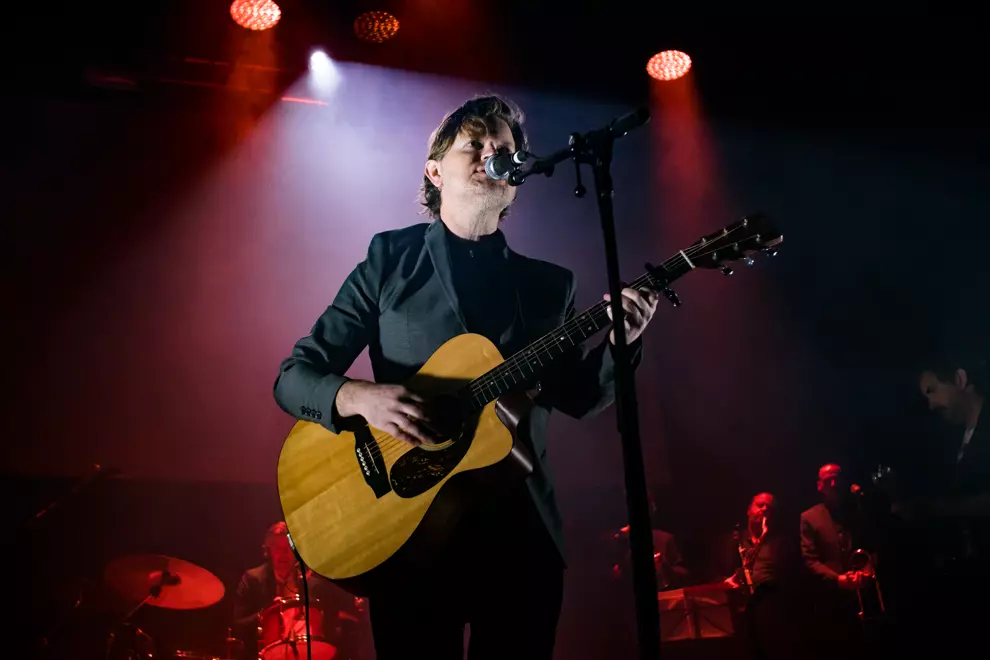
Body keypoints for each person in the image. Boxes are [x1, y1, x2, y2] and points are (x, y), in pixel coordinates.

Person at [272, 95, 659, 660]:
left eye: (504, 148)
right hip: (405, 527)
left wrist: (622, 346)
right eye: (473, 145)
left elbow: (579, 397)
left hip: (520, 533)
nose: (490, 154)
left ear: (516, 180)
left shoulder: (550, 286)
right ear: (434, 172)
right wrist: (359, 397)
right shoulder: (391, 259)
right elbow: (294, 377)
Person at [232, 522, 361, 660]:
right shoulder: (253, 580)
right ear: (267, 552)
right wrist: (266, 615)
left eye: (289, 547)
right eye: (277, 548)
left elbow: (332, 624)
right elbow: (238, 625)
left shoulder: (313, 583)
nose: (284, 553)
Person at [799, 464, 867, 659]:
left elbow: (871, 547)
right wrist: (838, 579)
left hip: (862, 595)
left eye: (837, 478)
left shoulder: (858, 513)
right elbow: (809, 560)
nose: (834, 484)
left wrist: (866, 571)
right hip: (829, 601)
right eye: (829, 480)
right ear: (820, 486)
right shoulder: (809, 517)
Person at [721, 492, 795, 660]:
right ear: (749, 510)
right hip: (741, 616)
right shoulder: (733, 541)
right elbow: (718, 572)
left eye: (769, 507)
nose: (764, 509)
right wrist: (727, 581)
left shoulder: (782, 542)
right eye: (760, 505)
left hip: (772, 613)